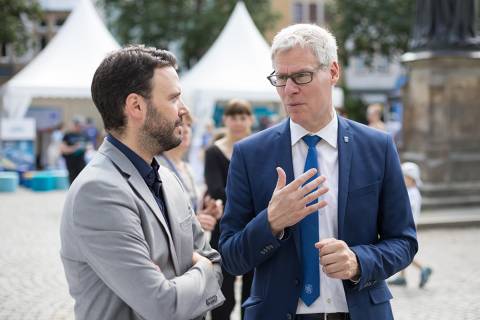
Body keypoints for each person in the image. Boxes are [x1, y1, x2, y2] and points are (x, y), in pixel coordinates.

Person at [219, 24, 418, 320]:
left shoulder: (377, 146)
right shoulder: (250, 154)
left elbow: (404, 241)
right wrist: (271, 222)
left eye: (301, 76)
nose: (289, 89)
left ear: (333, 72)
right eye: (281, 78)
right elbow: (231, 257)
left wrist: (358, 261)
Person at [60, 45, 224, 320]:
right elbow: (163, 305)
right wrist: (203, 270)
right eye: (174, 98)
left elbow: (216, 262)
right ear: (136, 106)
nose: (183, 110)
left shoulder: (168, 178)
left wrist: (197, 272)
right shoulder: (98, 191)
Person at [204, 99, 255, 320]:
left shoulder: (257, 148)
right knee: (224, 292)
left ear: (250, 120)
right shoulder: (214, 152)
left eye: (243, 117)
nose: (238, 122)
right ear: (225, 120)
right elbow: (215, 188)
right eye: (233, 117)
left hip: (255, 227)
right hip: (226, 226)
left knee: (252, 291)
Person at [156, 113, 223, 233]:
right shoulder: (156, 165)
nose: (185, 130)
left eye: (189, 125)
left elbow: (189, 213)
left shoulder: (188, 168)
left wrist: (205, 213)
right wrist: (194, 222)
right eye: (179, 124)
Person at [388, 162, 433, 288]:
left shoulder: (412, 194)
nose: (402, 180)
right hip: (406, 226)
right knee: (403, 249)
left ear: (412, 178)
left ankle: (423, 268)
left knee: (404, 252)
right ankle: (402, 277)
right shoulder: (410, 191)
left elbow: (403, 209)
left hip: (407, 227)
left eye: (405, 177)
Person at [60, 116, 90, 183]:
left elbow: (89, 146)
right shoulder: (68, 135)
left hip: (81, 163)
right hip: (71, 163)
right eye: (78, 125)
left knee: (82, 181)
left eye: (81, 126)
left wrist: (85, 147)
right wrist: (75, 148)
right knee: (73, 182)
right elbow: (63, 149)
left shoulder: (84, 135)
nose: (79, 127)